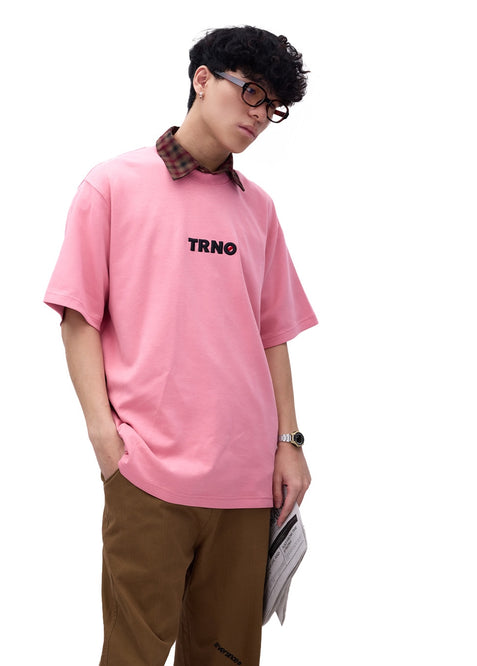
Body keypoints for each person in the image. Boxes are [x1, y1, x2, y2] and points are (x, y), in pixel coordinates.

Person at [44, 25, 317, 666]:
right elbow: (79, 318)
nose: (260, 115)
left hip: (246, 479)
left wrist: (290, 442)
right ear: (201, 79)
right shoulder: (113, 185)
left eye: (273, 106)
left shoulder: (259, 209)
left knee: (227, 656)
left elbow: (273, 334)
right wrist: (106, 439)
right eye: (250, 92)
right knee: (133, 655)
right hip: (148, 473)